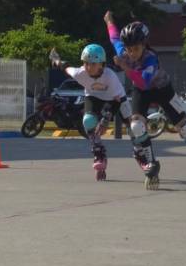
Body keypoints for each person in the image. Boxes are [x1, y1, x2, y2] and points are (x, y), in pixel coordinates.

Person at [104, 10, 186, 189]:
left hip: (163, 90)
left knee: (185, 128)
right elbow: (114, 37)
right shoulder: (124, 50)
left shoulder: (151, 59)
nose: (131, 53)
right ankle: (151, 162)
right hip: (142, 92)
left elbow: (143, 79)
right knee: (136, 126)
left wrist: (124, 65)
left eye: (136, 49)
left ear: (144, 45)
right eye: (128, 49)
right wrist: (109, 20)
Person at [51, 44, 133, 181]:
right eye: (86, 63)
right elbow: (66, 67)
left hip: (117, 99)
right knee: (87, 121)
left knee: (135, 128)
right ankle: (99, 152)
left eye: (93, 64)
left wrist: (106, 120)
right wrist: (56, 60)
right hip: (93, 97)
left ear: (102, 64)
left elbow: (116, 102)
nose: (89, 68)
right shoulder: (79, 73)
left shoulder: (110, 76)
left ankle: (144, 155)